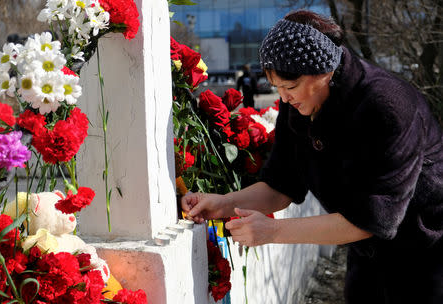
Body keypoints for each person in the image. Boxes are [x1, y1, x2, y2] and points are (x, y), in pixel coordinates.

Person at [182, 10, 443, 304]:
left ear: (324, 72)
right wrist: (223, 203)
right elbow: (281, 186)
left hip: (427, 254)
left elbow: (375, 220)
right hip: (366, 252)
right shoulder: (298, 108)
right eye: (276, 88)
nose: (283, 98)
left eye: (290, 87)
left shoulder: (387, 106)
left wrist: (273, 231)